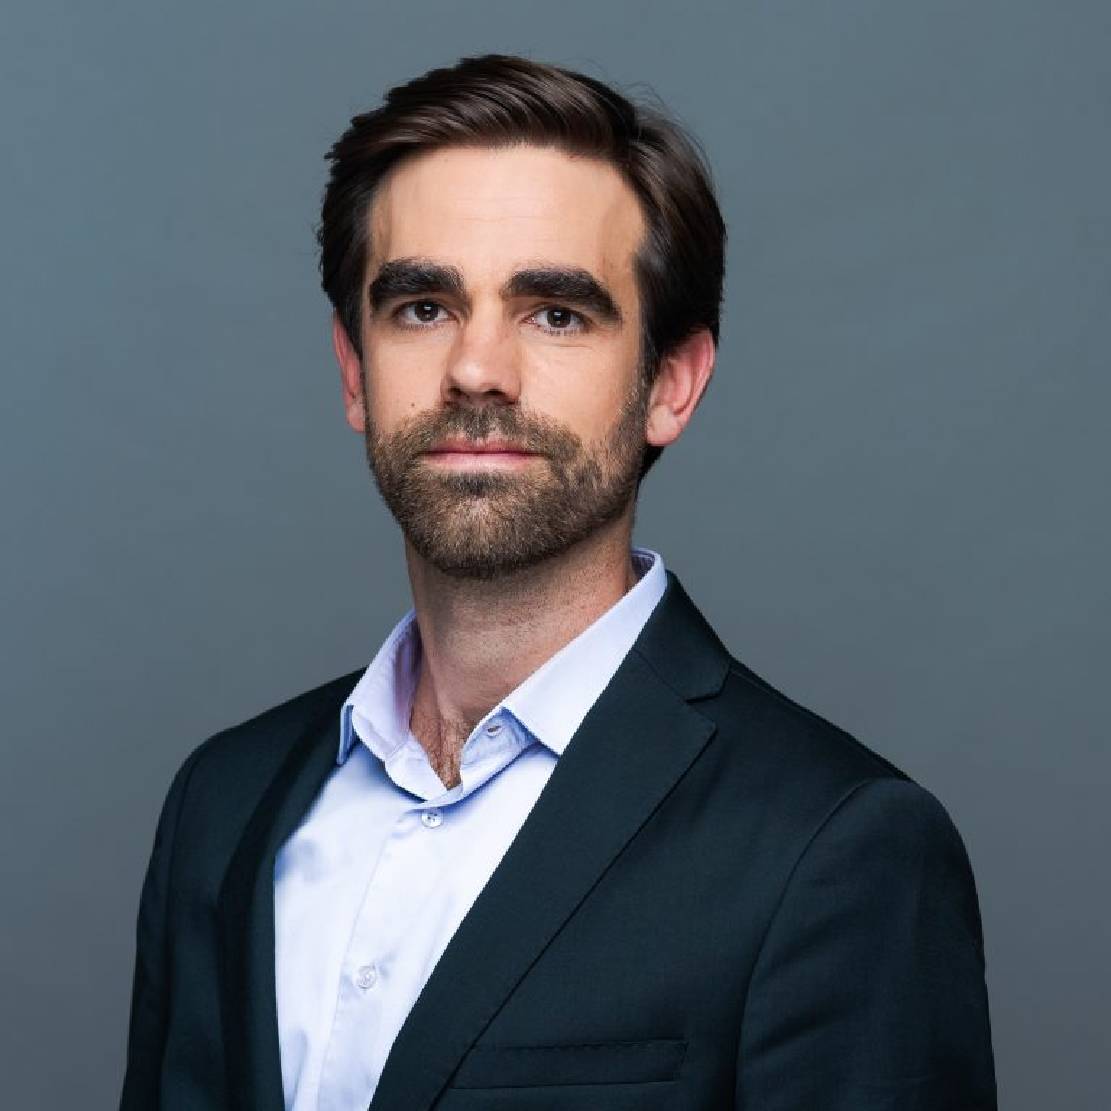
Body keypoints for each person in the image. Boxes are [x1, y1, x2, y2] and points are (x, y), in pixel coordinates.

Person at [119, 54, 997, 1111]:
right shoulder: (224, 804)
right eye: (422, 306)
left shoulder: (835, 845)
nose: (476, 369)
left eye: (556, 313)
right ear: (355, 371)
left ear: (670, 384)